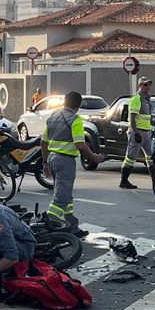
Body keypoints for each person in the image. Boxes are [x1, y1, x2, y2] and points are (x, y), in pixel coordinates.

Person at [43, 90, 100, 230]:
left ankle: (71, 224)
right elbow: (80, 144)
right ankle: (48, 223)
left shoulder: (53, 117)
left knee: (65, 194)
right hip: (65, 161)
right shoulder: (75, 120)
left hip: (52, 159)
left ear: (65, 102)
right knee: (61, 198)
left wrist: (45, 162)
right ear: (78, 105)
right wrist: (94, 156)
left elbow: (43, 142)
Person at [119, 76, 155, 190]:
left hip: (147, 132)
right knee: (130, 158)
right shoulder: (136, 98)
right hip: (137, 132)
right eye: (145, 84)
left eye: (149, 84)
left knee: (151, 157)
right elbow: (132, 117)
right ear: (140, 85)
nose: (148, 86)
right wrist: (136, 133)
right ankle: (124, 181)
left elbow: (147, 117)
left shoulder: (147, 98)